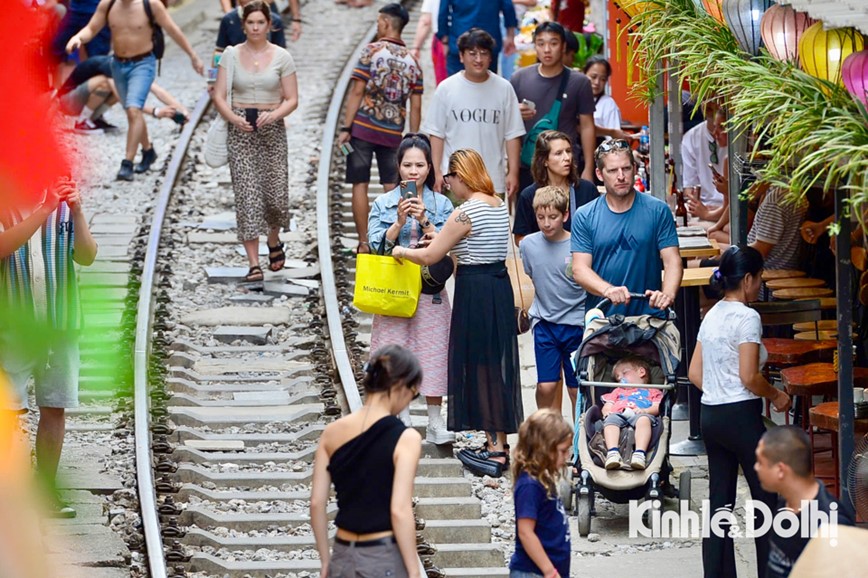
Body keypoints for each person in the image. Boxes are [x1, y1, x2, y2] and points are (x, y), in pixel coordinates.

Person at [393, 149, 522, 478]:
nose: (448, 184)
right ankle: (500, 444)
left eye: (450, 178)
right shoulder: (495, 205)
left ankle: (494, 451)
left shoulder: (465, 212)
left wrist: (401, 251)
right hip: (498, 287)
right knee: (495, 363)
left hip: (475, 291)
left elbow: (432, 255)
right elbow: (467, 242)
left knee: (479, 366)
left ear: (461, 176)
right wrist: (438, 233)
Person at [687, 245, 792, 578]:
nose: (759, 285)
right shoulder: (748, 317)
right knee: (766, 500)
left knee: (720, 501)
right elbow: (750, 377)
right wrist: (776, 395)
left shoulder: (712, 313)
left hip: (711, 416)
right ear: (747, 279)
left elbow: (693, 373)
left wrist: (719, 390)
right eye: (759, 278)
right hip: (741, 417)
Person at [0, 178, 98, 518]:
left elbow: (86, 257)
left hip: (61, 324)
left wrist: (79, 212)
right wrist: (42, 211)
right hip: (14, 326)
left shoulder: (63, 209)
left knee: (54, 406)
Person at [367, 134, 456, 444]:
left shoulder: (442, 204)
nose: (414, 171)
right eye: (408, 165)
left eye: (420, 165)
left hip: (429, 288)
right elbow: (376, 247)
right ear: (399, 167)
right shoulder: (383, 203)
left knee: (433, 351)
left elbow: (449, 244)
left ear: (430, 168)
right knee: (394, 351)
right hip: (394, 289)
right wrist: (398, 222)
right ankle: (401, 416)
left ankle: (434, 421)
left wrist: (427, 221)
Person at [310, 345, 422, 578]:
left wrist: (325, 561)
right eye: (414, 392)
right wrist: (413, 571)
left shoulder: (331, 433)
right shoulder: (406, 438)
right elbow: (399, 510)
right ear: (401, 386)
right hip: (383, 558)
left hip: (342, 554)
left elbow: (317, 503)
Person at [66, 0, 204, 181]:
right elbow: (92, 29)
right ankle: (148, 151)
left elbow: (173, 31)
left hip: (143, 63)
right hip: (118, 64)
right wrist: (78, 38)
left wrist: (193, 56)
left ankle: (127, 164)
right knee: (133, 111)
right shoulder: (108, 4)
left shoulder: (151, 5)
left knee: (133, 109)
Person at [211, 1, 299, 283]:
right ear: (244, 25)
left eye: (261, 23)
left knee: (275, 194)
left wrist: (274, 115)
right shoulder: (232, 55)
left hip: (272, 129)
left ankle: (273, 240)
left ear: (269, 25)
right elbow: (219, 95)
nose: (256, 28)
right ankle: (253, 263)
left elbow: (292, 99)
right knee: (247, 195)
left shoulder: (282, 56)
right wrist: (233, 119)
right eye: (251, 23)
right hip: (241, 130)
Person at [338, 3, 422, 254]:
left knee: (359, 183)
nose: (377, 26)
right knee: (392, 188)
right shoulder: (414, 62)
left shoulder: (370, 52)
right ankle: (393, 241)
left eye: (378, 22)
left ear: (385, 23)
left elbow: (356, 91)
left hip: (362, 129)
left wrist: (346, 127)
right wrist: (413, 139)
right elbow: (415, 107)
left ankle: (364, 243)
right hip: (393, 134)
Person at [571, 139, 683, 317]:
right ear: (599, 174)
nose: (621, 176)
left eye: (626, 168)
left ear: (634, 168)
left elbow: (673, 261)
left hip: (650, 318)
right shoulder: (585, 215)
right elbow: (579, 269)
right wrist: (607, 290)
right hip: (604, 320)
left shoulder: (658, 210)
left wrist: (667, 295)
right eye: (613, 170)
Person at [422, 28, 525, 199]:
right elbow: (436, 134)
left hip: (492, 180)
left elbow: (513, 134)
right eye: (472, 53)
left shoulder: (504, 88)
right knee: (454, 225)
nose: (478, 59)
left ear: (491, 57)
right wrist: (437, 171)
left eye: (484, 53)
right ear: (461, 56)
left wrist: (513, 172)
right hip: (455, 182)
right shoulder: (446, 88)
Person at [754, 426, 855, 578]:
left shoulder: (831, 524)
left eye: (760, 462)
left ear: (781, 470)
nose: (756, 467)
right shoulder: (785, 503)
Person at [519, 186, 586, 414]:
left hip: (577, 323)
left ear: (565, 215)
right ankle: (548, 427)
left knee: (576, 388)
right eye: (541, 217)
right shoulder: (528, 245)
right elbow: (531, 272)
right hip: (546, 323)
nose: (547, 223)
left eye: (553, 217)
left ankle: (581, 441)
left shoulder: (578, 244)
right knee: (546, 386)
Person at [510, 21, 596, 191]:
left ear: (563, 46)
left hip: (566, 166)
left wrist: (588, 168)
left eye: (553, 43)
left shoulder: (579, 82)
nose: (547, 49)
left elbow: (587, 126)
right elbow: (510, 130)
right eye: (541, 44)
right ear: (535, 46)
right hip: (529, 166)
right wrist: (512, 171)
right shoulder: (519, 79)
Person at [508, 408, 572, 578]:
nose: (567, 457)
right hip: (533, 572)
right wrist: (549, 571)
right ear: (544, 449)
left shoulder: (542, 480)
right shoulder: (530, 485)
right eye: (562, 451)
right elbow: (525, 532)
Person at [57, 54, 189, 134]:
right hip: (66, 102)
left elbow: (157, 89)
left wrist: (182, 110)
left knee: (117, 89)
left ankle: (94, 118)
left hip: (81, 101)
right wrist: (155, 112)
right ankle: (83, 122)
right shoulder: (111, 66)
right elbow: (124, 100)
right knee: (105, 83)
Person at [512, 130, 598, 244]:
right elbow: (520, 239)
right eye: (558, 153)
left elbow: (599, 230)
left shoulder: (587, 190)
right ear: (544, 161)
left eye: (568, 151)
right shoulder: (529, 195)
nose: (567, 157)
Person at [600, 355, 662, 471]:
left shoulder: (653, 390)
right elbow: (607, 405)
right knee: (610, 421)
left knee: (644, 420)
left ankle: (639, 454)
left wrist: (645, 411)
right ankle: (613, 453)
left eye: (624, 373)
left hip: (640, 413)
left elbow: (657, 406)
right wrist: (607, 412)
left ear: (641, 372)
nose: (620, 379)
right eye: (618, 378)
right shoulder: (618, 391)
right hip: (619, 414)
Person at [437, 0, 517, 76]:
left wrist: (445, 40)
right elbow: (508, 7)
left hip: (459, 40)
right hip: (488, 41)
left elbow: (443, 13)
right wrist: (510, 35)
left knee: (456, 83)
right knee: (488, 83)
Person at [682, 99, 727, 213]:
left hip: (728, 208)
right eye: (704, 98)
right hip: (704, 207)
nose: (708, 103)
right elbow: (689, 187)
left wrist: (709, 214)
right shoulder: (691, 137)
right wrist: (698, 206)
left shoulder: (737, 140)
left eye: (714, 97)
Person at [582, 56, 635, 144]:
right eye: (593, 77)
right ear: (584, 74)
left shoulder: (608, 104)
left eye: (602, 79)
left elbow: (614, 141)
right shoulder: (575, 98)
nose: (597, 82)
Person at [410, 0, 447, 86]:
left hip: (442, 40)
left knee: (445, 83)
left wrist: (416, 47)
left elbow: (426, 21)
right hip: (470, 38)